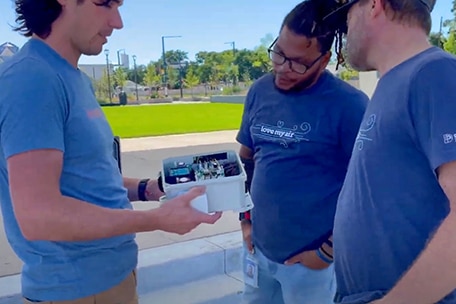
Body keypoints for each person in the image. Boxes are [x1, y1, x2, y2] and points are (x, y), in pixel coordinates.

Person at [0, 0, 221, 303]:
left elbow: (88, 177)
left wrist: (150, 189)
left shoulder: (70, 76)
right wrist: (157, 220)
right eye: (105, 4)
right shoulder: (32, 79)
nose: (118, 22)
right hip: (77, 289)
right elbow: (40, 216)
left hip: (109, 280)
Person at [323, 0, 456, 303]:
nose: (344, 29)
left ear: (374, 5)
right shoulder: (396, 81)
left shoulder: (434, 73)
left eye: (347, 16)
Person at [236, 0, 368, 303]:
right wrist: (245, 222)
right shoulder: (260, 91)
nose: (282, 68)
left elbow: (368, 190)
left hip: (311, 266)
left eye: (297, 62)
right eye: (278, 53)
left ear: (323, 61)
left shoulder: (349, 105)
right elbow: (246, 160)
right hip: (257, 249)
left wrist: (327, 253)